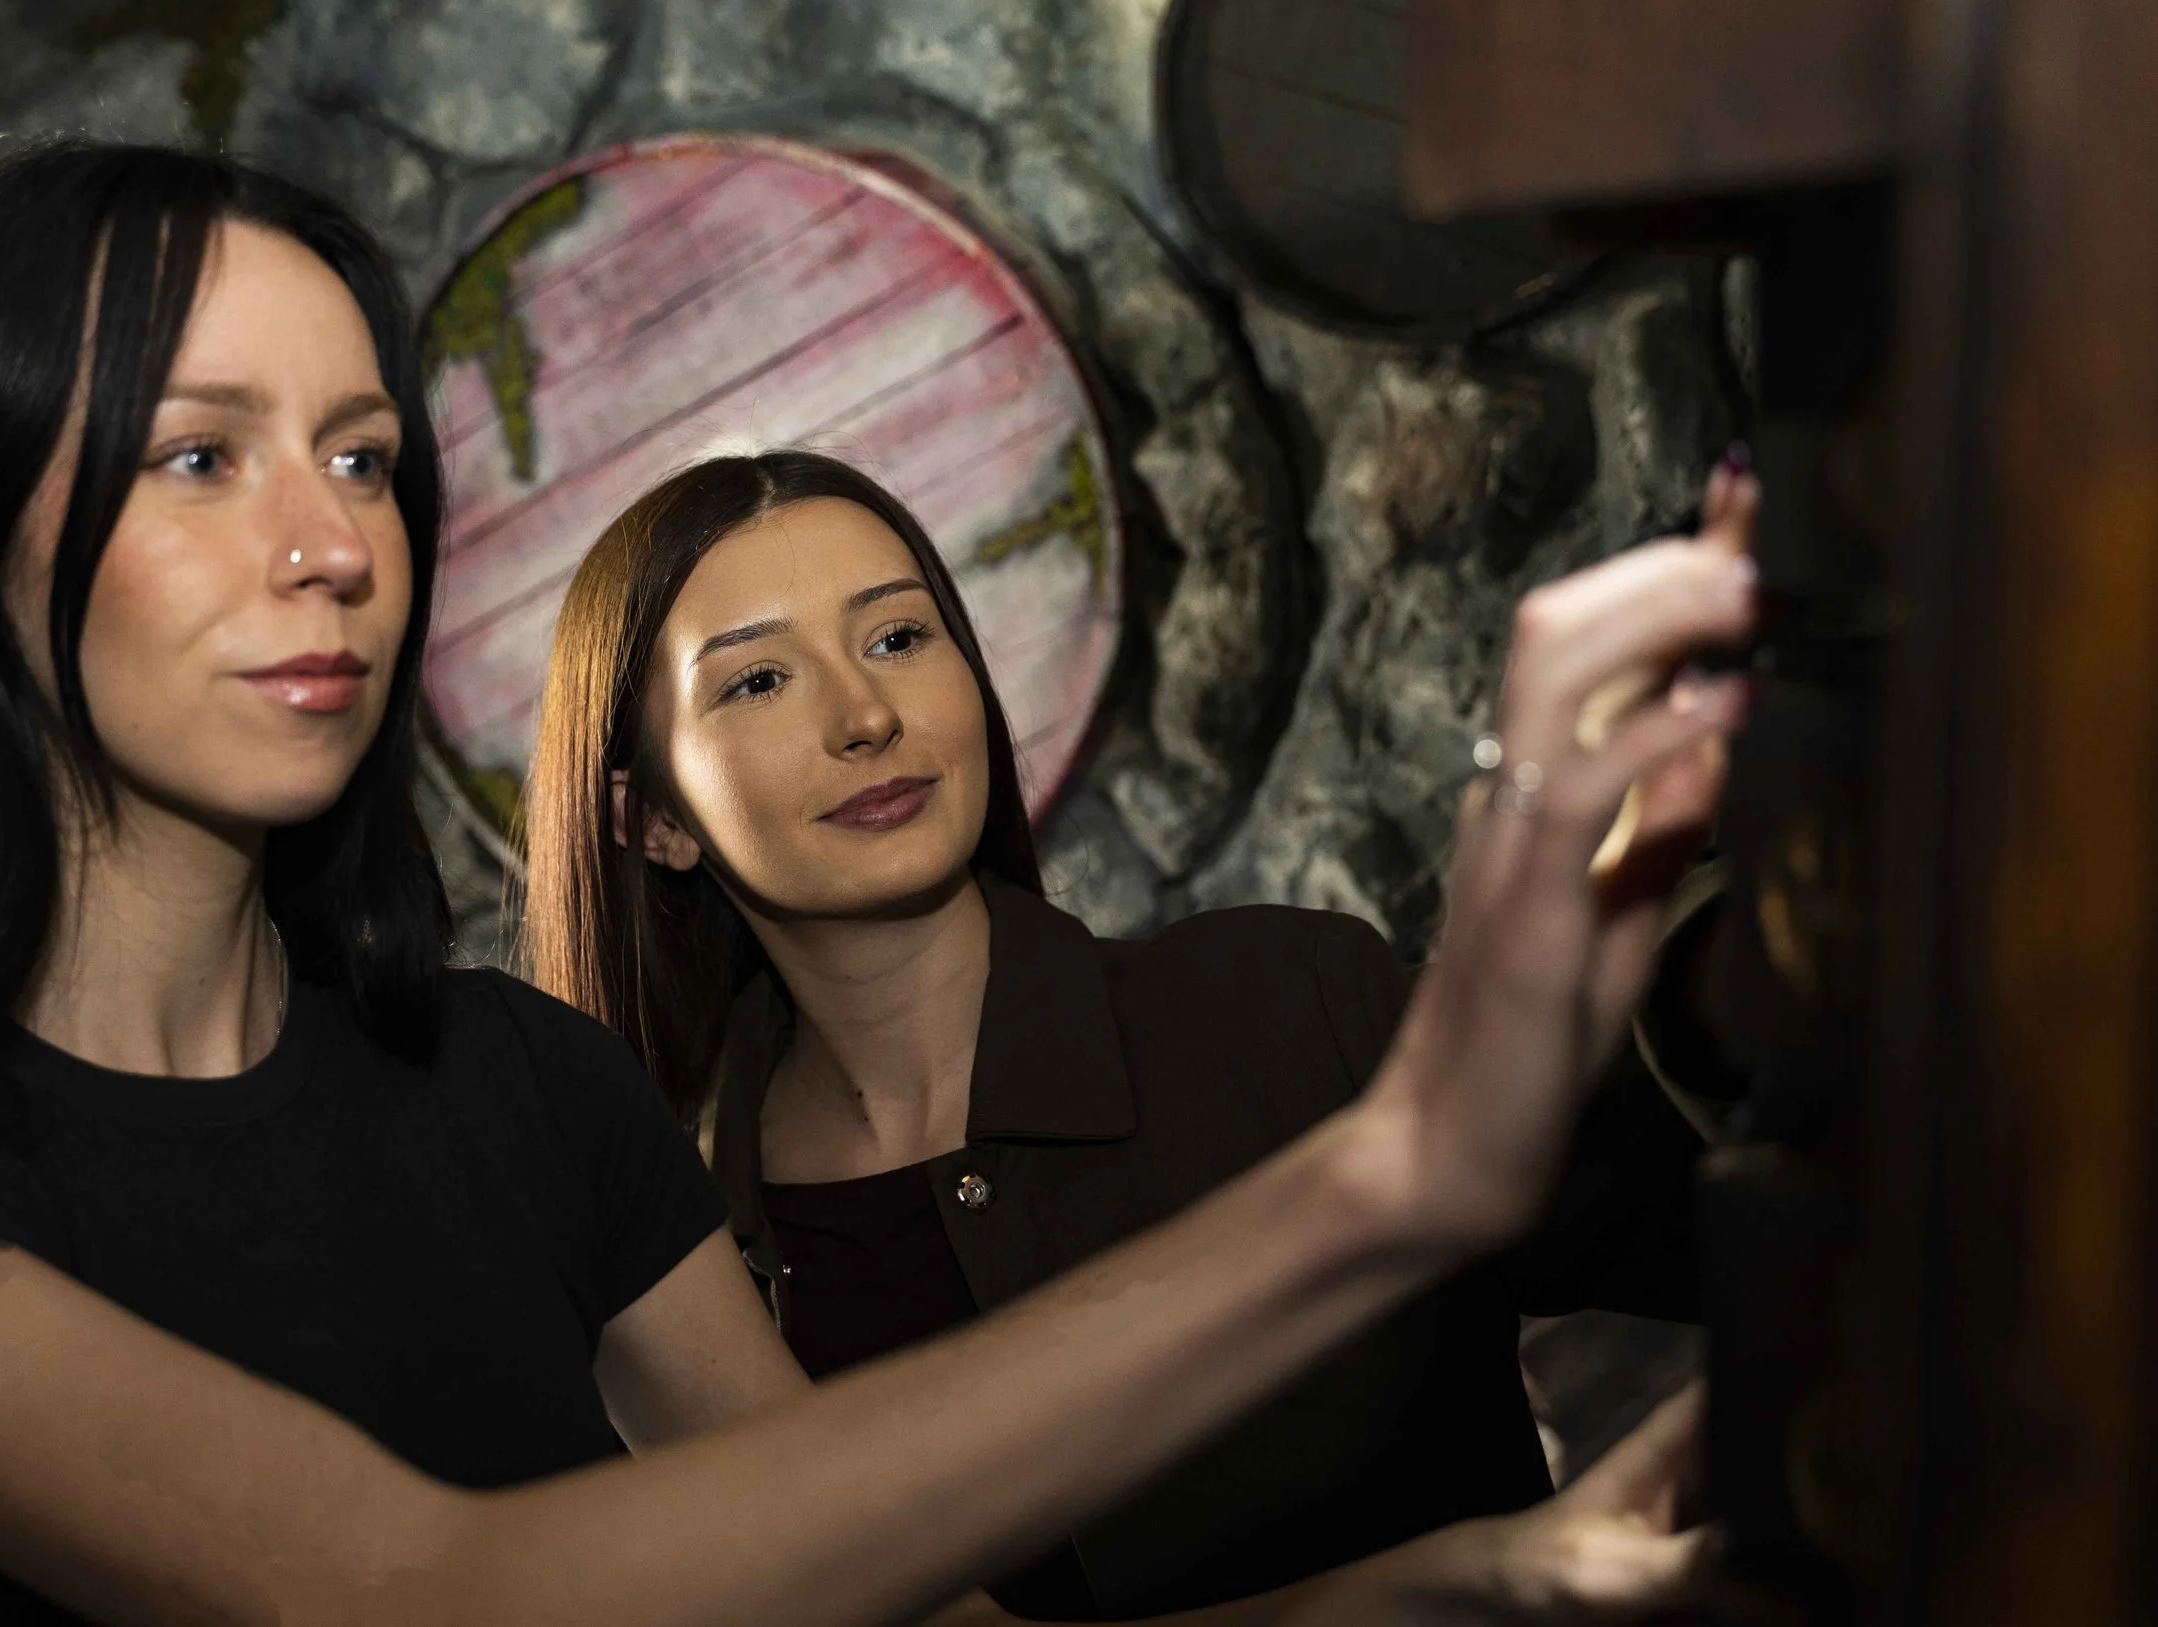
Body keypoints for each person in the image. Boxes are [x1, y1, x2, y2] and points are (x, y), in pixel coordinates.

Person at [0, 140, 1754, 1627]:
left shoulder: (523, 1086)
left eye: (365, 455)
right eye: (203, 454)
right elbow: (414, 1592)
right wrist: (1393, 1173)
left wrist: (1491, 1571)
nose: (334, 543)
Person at [519, 451, 1752, 1619]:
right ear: (652, 818)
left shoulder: (1292, 1001)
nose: (864, 714)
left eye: (897, 636)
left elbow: (1768, 1185)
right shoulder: (677, 1266)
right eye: (758, 679)